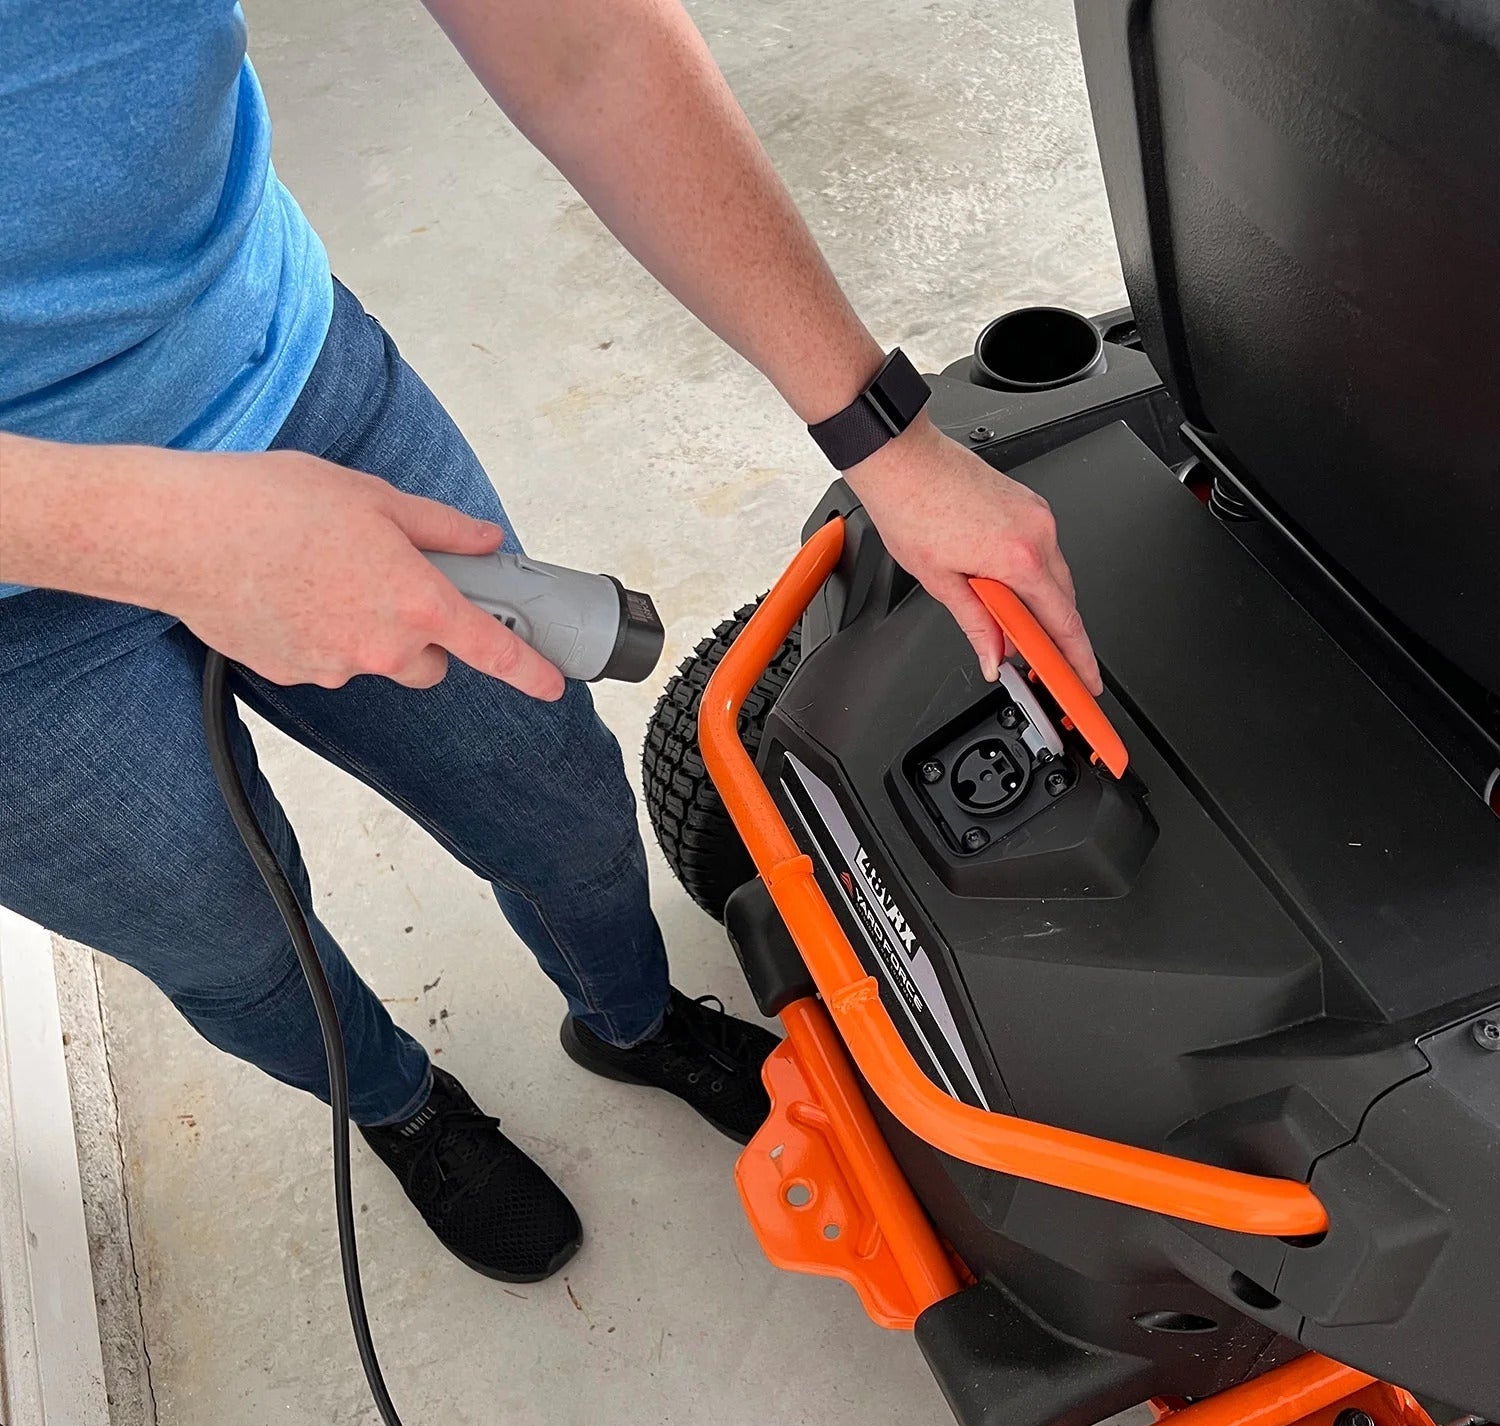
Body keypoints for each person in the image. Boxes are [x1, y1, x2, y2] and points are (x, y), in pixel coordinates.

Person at [0, 0, 1100, 1285]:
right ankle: (402, 1110)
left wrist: (887, 438)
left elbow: (586, 42)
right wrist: (139, 531)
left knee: (556, 802)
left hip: (279, 377)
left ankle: (629, 1024)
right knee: (231, 944)